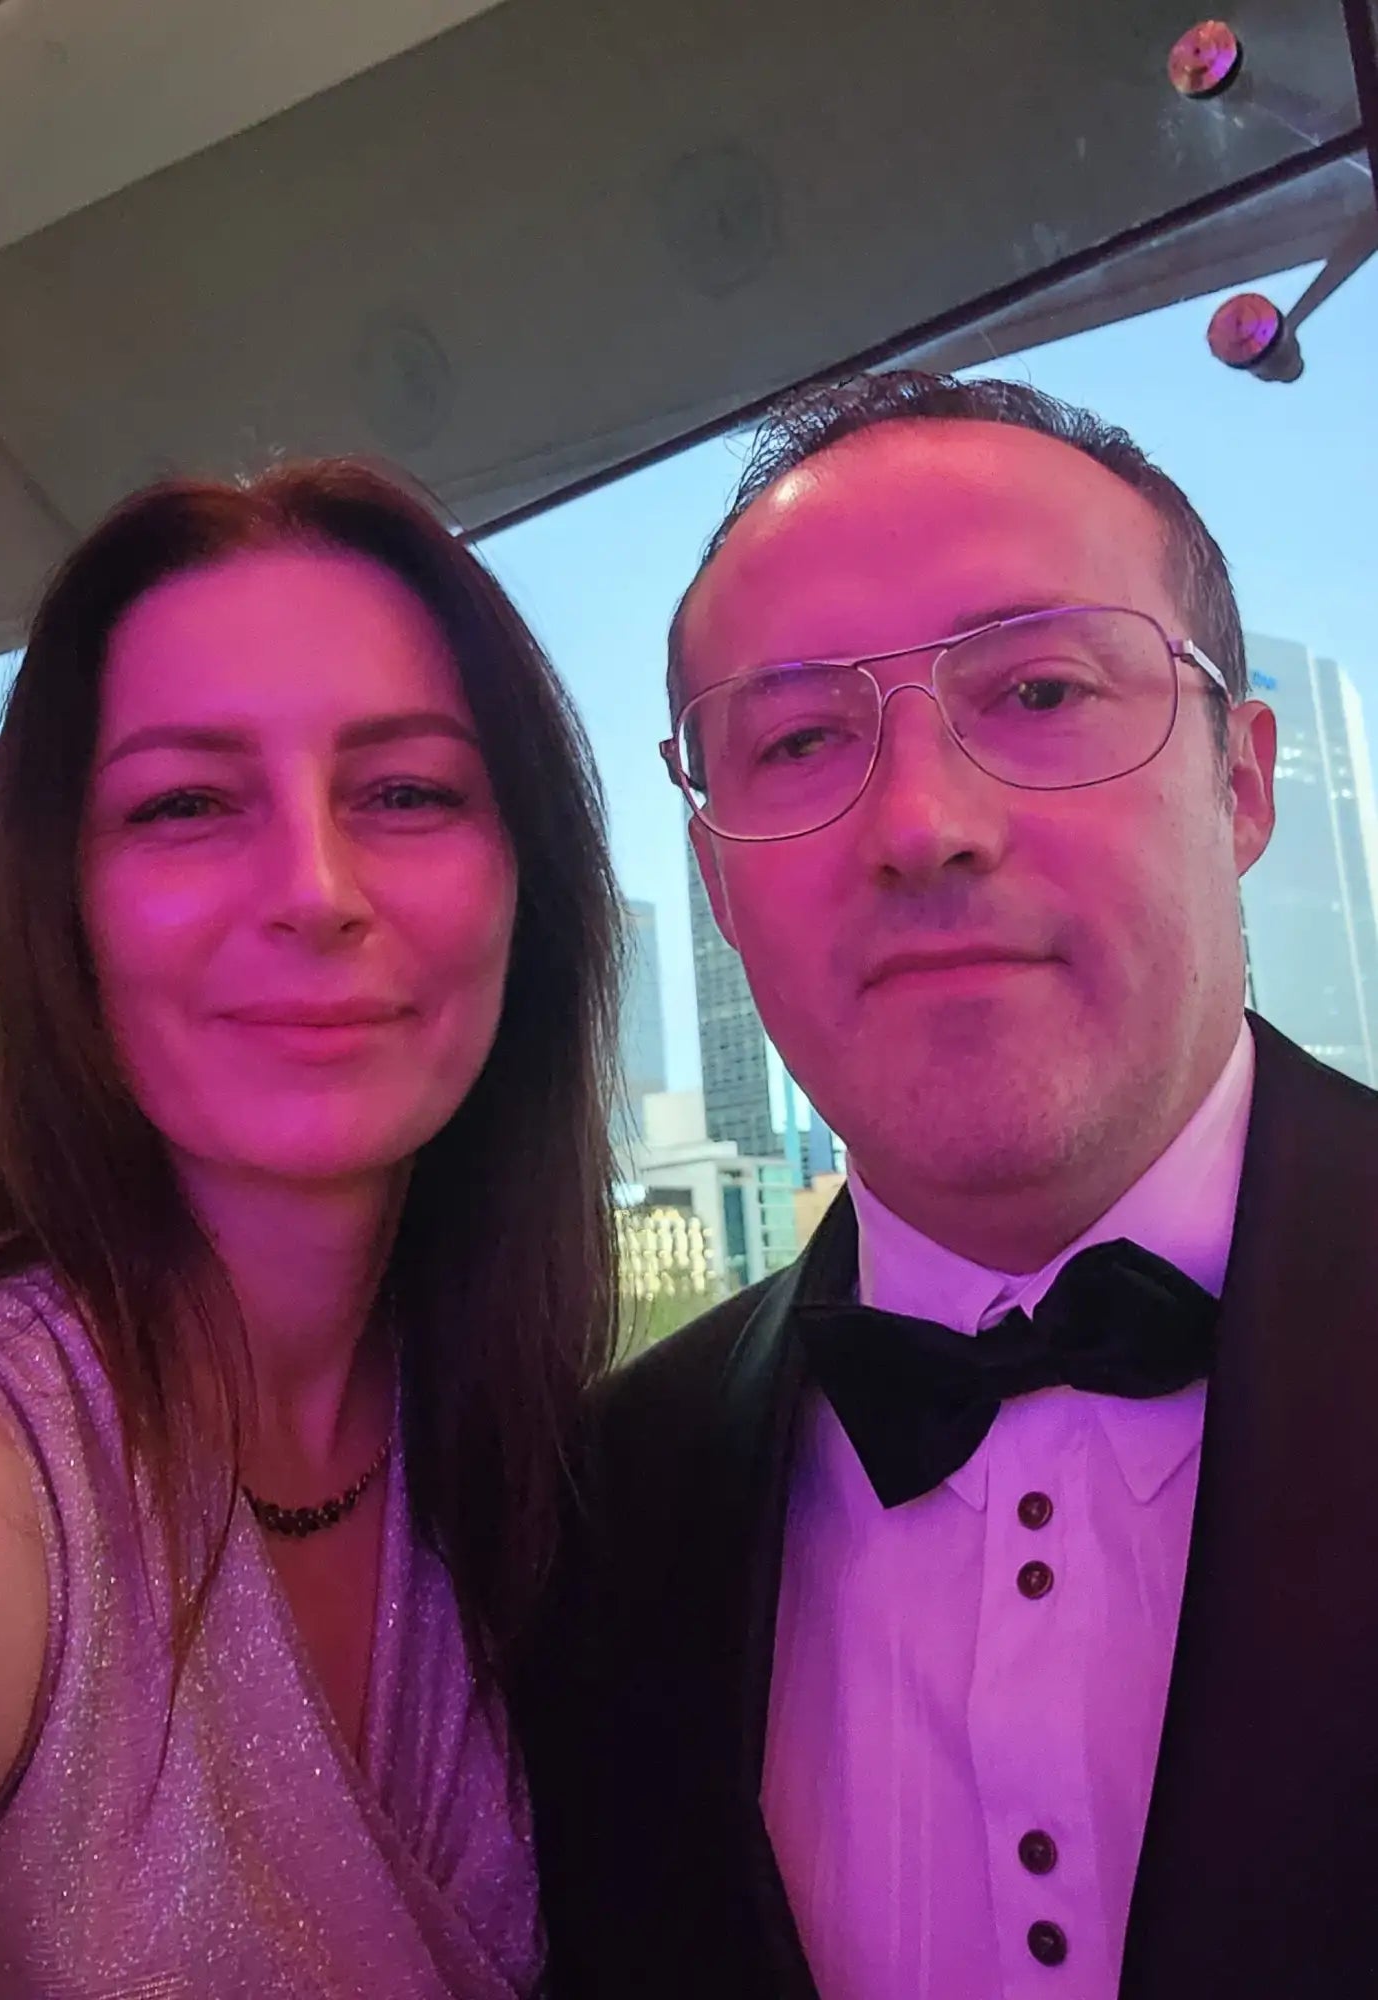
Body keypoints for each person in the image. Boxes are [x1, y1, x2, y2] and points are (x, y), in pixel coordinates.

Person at [516, 371, 1378, 2000]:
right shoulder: (598, 1509)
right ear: (713, 880)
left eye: (1040, 690)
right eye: (798, 738)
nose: (923, 825)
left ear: (1243, 781)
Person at [0, 459, 621, 1996]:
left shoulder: (533, 1459)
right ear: (58, 910)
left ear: (526, 889)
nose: (316, 888)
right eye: (186, 804)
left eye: (406, 792)